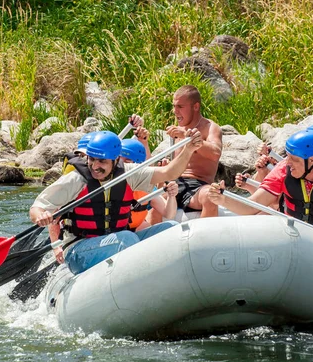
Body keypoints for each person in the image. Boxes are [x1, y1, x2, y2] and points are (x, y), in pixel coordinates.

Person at [30, 129, 203, 275]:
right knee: (126, 239)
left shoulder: (128, 173)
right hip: (78, 250)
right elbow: (37, 207)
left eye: (102, 161)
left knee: (170, 228)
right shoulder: (75, 180)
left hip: (117, 240)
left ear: (115, 160)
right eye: (91, 159)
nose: (95, 167)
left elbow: (168, 173)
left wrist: (188, 150)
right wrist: (41, 215)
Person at [208, 130, 313, 251]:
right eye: (287, 157)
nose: (287, 163)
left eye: (293, 159)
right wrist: (223, 199)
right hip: (296, 237)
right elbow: (252, 206)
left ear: (312, 159)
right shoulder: (283, 170)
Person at [165, 85, 223, 218]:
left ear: (195, 107)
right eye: (174, 106)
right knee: (148, 195)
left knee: (211, 197)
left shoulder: (210, 128)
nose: (175, 111)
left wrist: (187, 136)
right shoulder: (177, 129)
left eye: (180, 107)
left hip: (197, 186)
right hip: (173, 182)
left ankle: (206, 237)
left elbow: (215, 153)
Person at [120, 138, 179, 231]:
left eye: (127, 162)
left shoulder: (144, 186)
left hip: (134, 230)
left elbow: (169, 214)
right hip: (116, 234)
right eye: (119, 160)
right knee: (131, 235)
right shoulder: (109, 183)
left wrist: (172, 196)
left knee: (172, 225)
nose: (122, 166)